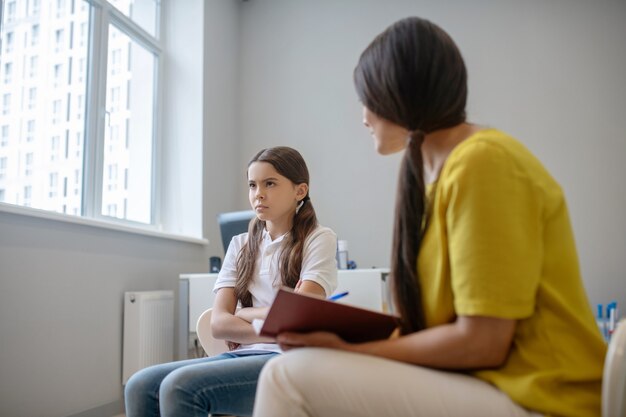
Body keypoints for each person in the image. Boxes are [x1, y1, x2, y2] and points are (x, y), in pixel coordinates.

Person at [252, 17, 606, 417]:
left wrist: (351, 349)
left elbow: (483, 341)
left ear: (396, 92)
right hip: (495, 384)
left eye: (366, 98)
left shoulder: (483, 162)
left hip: (545, 396)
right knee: (294, 370)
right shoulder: (443, 179)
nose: (363, 116)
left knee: (286, 377)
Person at [125, 146, 338, 417]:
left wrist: (245, 313)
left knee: (180, 387)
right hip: (242, 355)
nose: (257, 194)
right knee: (139, 385)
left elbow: (299, 317)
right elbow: (219, 323)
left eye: (269, 183)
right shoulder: (240, 244)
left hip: (288, 359)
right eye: (252, 185)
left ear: (300, 191)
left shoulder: (319, 238)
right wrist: (272, 320)